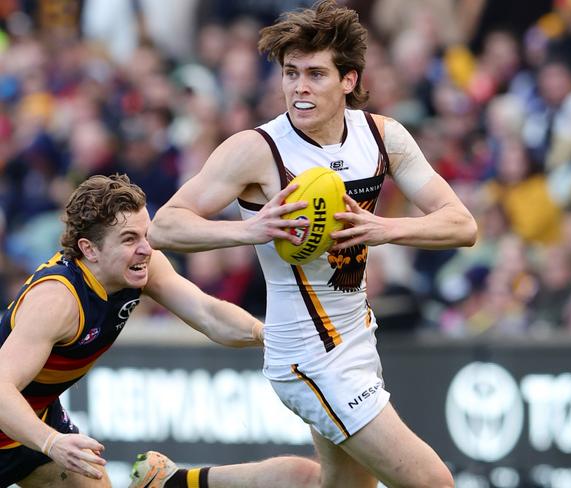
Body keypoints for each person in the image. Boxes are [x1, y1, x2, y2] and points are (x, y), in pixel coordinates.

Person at [147, 1, 477, 487]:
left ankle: (174, 483)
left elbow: (462, 225)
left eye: (316, 74)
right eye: (290, 73)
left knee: (329, 484)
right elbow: (164, 227)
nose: (299, 87)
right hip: (307, 353)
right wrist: (250, 230)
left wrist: (384, 229)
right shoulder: (259, 149)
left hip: (359, 337)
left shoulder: (383, 137)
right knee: (435, 483)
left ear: (349, 80)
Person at [0, 174, 320, 488]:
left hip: (34, 419)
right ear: (90, 249)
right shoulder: (58, 300)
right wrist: (52, 442)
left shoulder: (140, 266)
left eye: (145, 234)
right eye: (129, 239)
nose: (146, 248)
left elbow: (207, 313)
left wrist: (265, 335)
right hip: (20, 420)